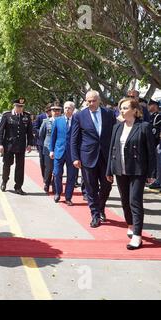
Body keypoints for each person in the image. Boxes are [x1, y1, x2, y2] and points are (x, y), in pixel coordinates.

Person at [106, 98, 157, 249]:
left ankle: (137, 235)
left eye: (125, 108)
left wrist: (151, 172)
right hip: (120, 169)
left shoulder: (144, 127)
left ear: (135, 110)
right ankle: (130, 224)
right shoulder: (117, 127)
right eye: (121, 108)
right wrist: (109, 169)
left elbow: (151, 152)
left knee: (135, 201)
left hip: (137, 170)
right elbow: (112, 149)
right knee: (125, 201)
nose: (122, 110)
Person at [71, 90, 116, 228]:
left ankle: (101, 206)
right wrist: (75, 157)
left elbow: (114, 134)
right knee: (91, 187)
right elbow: (74, 138)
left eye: (93, 101)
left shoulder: (108, 114)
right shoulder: (79, 115)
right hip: (87, 157)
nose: (91, 103)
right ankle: (95, 215)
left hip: (106, 157)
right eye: (88, 101)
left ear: (99, 100)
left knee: (107, 186)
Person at [0, 98, 34, 195]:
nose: (20, 108)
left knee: (20, 167)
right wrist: (0, 144)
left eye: (22, 106)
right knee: (7, 164)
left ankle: (18, 186)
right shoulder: (7, 115)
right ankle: (4, 181)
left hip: (21, 146)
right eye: (18, 106)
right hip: (9, 145)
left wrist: (30, 144)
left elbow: (29, 132)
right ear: (14, 105)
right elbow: (1, 131)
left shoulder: (26, 116)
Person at [50, 102, 78, 205]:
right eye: (65, 108)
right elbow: (53, 137)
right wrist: (51, 150)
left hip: (72, 154)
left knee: (71, 176)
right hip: (59, 151)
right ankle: (58, 192)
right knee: (57, 174)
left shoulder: (77, 121)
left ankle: (68, 197)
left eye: (69, 108)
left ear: (73, 109)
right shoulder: (58, 121)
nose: (67, 110)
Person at [40, 105, 62, 194]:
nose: (56, 112)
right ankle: (46, 183)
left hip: (59, 148)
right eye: (54, 111)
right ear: (51, 112)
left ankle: (55, 186)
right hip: (48, 148)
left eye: (58, 111)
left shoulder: (62, 121)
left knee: (57, 169)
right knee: (49, 168)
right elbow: (41, 135)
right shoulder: (46, 122)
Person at [34, 104, 52, 181]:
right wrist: (42, 132)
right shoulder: (40, 117)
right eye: (48, 111)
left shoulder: (56, 118)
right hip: (42, 143)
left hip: (51, 143)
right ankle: (44, 177)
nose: (50, 112)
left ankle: (49, 178)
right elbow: (35, 128)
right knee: (43, 160)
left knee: (50, 162)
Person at [148, 99, 161, 190]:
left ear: (155, 106)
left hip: (156, 142)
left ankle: (158, 180)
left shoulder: (158, 116)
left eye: (150, 105)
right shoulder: (152, 116)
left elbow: (154, 131)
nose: (149, 106)